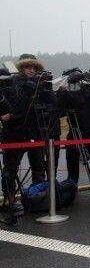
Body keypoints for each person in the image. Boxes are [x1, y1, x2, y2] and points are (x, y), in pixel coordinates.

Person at [1, 54, 55, 204]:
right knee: (10, 167)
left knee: (38, 166)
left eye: (34, 67)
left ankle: (38, 196)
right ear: (21, 68)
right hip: (14, 130)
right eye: (28, 67)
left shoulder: (40, 83)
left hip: (35, 130)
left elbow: (52, 103)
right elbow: (6, 104)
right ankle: (8, 195)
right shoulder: (11, 82)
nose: (31, 70)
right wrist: (5, 116)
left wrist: (45, 88)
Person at [56, 68, 90, 193]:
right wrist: (61, 93)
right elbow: (61, 110)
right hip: (73, 127)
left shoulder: (88, 87)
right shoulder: (66, 91)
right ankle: (72, 182)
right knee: (71, 156)